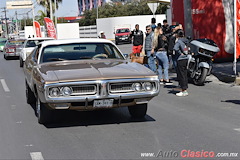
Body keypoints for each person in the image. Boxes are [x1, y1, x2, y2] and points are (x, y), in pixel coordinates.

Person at [173, 30, 190, 96]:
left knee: (181, 74)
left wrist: (180, 53)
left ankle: (183, 90)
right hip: (186, 58)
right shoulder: (185, 41)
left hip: (181, 58)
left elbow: (175, 48)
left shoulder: (179, 41)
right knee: (185, 74)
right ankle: (185, 87)